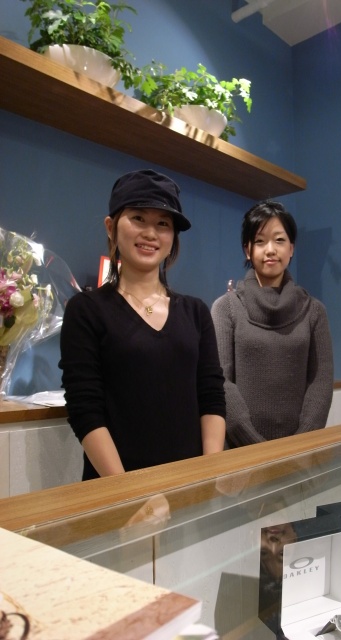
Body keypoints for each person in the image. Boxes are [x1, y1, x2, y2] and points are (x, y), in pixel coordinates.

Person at [59, 169, 226, 480]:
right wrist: (131, 494)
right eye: (138, 218)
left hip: (189, 487)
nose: (151, 233)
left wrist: (208, 475)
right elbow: (85, 411)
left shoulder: (196, 312)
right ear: (111, 227)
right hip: (117, 491)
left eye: (163, 224)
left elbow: (211, 397)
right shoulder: (87, 310)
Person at [211, 200, 333, 448]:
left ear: (291, 248)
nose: (270, 250)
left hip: (301, 453)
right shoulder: (226, 308)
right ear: (247, 250)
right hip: (242, 452)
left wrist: (299, 446)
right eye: (260, 241)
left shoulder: (314, 311)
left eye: (279, 240)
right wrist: (256, 446)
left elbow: (321, 381)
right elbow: (221, 382)